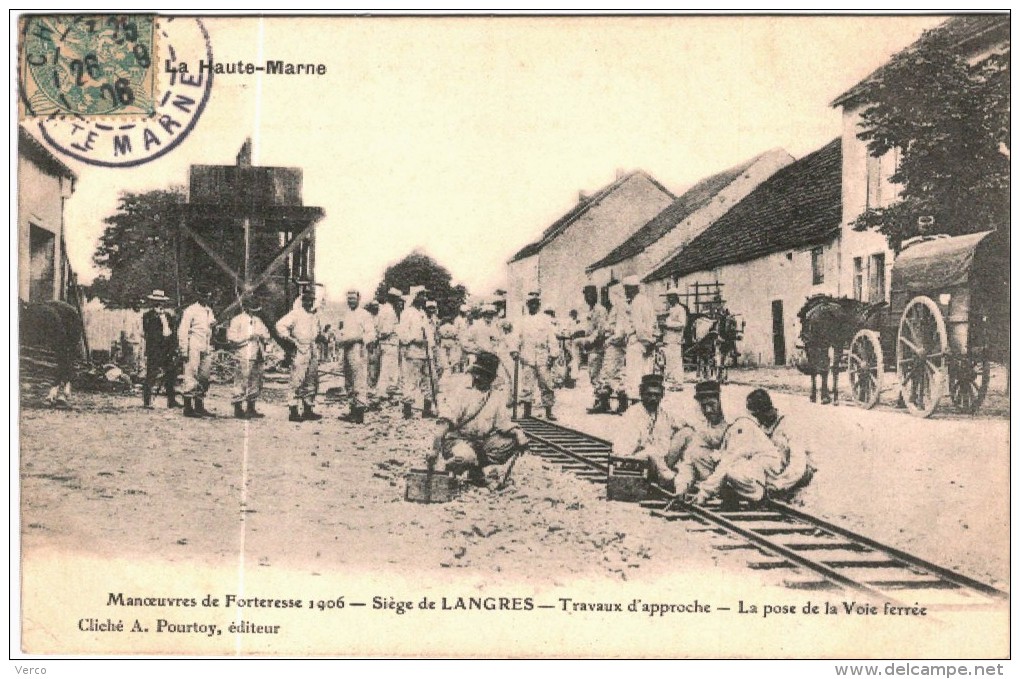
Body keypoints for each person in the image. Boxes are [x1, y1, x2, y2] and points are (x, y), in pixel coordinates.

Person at [692, 389, 816, 506]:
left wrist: (780, 485)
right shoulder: (758, 426)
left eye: (757, 415)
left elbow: (798, 464)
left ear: (767, 410)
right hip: (772, 472)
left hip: (797, 475)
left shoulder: (789, 426)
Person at [428, 351, 530, 489]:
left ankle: (475, 472)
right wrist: (435, 449)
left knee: (510, 442)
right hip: (456, 441)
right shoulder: (462, 392)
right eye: (479, 374)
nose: (482, 378)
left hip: (481, 442)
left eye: (487, 375)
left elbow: (504, 423)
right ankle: (448, 469)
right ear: (475, 374)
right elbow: (444, 422)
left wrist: (519, 434)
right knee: (466, 457)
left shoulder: (495, 396)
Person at [612, 374, 687, 481]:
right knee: (651, 450)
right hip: (637, 462)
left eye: (657, 395)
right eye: (649, 394)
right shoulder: (632, 414)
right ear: (641, 394)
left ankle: (687, 473)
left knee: (687, 433)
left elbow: (684, 423)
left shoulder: (663, 413)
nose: (653, 398)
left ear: (661, 396)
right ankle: (669, 479)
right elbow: (622, 451)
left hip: (661, 460)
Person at [665, 380, 730, 493]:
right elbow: (689, 461)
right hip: (715, 478)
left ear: (720, 402)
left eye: (711, 405)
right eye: (704, 406)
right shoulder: (704, 429)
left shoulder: (734, 424)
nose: (708, 410)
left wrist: (708, 490)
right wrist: (682, 486)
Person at [276, 291, 325, 422]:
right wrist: (291, 340)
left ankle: (308, 409)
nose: (309, 303)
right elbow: (280, 326)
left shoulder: (314, 316)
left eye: (311, 300)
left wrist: (320, 337)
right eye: (306, 300)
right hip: (300, 349)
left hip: (312, 349)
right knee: (297, 380)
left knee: (311, 380)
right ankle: (293, 410)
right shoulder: (295, 313)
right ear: (302, 301)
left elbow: (316, 332)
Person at [513, 291, 560, 420]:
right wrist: (514, 350)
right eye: (530, 303)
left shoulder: (545, 320)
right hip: (527, 356)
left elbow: (552, 338)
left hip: (542, 356)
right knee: (527, 385)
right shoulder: (522, 321)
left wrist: (553, 354)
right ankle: (527, 412)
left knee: (546, 384)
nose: (533, 306)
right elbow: (516, 337)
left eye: (535, 303)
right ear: (527, 305)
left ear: (538, 305)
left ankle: (548, 411)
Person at [226, 294, 272, 419]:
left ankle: (251, 407)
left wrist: (262, 337)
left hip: (257, 353)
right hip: (244, 352)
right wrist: (247, 338)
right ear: (246, 308)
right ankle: (238, 407)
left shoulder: (258, 320)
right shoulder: (237, 320)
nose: (253, 311)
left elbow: (266, 334)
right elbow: (231, 338)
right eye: (251, 309)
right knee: (242, 380)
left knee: (256, 380)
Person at [337, 290, 376, 424]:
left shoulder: (365, 315)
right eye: (349, 299)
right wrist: (341, 339)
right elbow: (342, 332)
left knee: (359, 381)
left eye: (353, 299)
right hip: (346, 349)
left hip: (358, 349)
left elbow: (371, 334)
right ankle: (352, 410)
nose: (351, 301)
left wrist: (356, 339)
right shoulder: (347, 315)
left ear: (359, 299)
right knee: (348, 381)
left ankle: (359, 414)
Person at [398, 286, 437, 419]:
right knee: (411, 381)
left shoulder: (423, 314)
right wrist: (416, 340)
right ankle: (407, 410)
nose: (424, 298)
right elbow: (402, 333)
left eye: (425, 296)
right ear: (415, 297)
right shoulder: (407, 313)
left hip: (426, 353)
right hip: (413, 352)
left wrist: (431, 347)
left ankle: (427, 409)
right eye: (422, 295)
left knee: (429, 380)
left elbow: (429, 334)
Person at [178, 285, 217, 418]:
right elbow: (183, 331)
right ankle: (188, 407)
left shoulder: (208, 310)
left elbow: (211, 326)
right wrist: (183, 350)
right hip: (193, 343)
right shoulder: (190, 310)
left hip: (205, 344)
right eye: (203, 295)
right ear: (198, 295)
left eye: (208, 295)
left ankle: (199, 406)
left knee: (204, 376)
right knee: (191, 374)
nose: (205, 298)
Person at [141, 289, 180, 409]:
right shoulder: (148, 316)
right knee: (151, 374)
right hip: (155, 349)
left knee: (171, 375)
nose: (159, 304)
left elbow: (173, 332)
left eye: (161, 302)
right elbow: (149, 332)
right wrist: (157, 316)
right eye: (156, 302)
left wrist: (174, 347)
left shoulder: (168, 316)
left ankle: (171, 400)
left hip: (168, 349)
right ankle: (147, 401)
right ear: (152, 302)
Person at [622, 275, 658, 404]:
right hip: (646, 341)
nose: (626, 292)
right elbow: (652, 323)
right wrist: (651, 341)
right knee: (645, 373)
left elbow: (639, 326)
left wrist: (645, 341)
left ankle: (635, 401)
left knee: (634, 375)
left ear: (633, 289)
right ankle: (644, 400)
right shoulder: (646, 301)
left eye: (627, 289)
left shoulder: (636, 303)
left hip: (637, 342)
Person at [581, 285, 611, 413]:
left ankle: (602, 402)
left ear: (595, 295)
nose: (587, 298)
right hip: (591, 347)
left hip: (597, 346)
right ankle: (600, 400)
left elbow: (601, 330)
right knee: (593, 374)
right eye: (586, 296)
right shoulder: (591, 310)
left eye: (590, 295)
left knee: (597, 375)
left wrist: (591, 342)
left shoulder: (600, 310)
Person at [375, 287, 403, 401]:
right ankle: (382, 391)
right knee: (387, 369)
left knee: (388, 368)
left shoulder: (385, 309)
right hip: (389, 342)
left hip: (387, 343)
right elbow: (386, 330)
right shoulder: (389, 311)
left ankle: (387, 390)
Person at [661, 291, 688, 391]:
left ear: (676, 298)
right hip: (669, 339)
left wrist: (668, 324)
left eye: (671, 297)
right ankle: (673, 382)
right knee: (670, 361)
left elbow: (682, 324)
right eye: (668, 298)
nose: (669, 300)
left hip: (675, 339)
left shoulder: (680, 309)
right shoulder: (671, 310)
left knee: (676, 361)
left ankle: (679, 383)